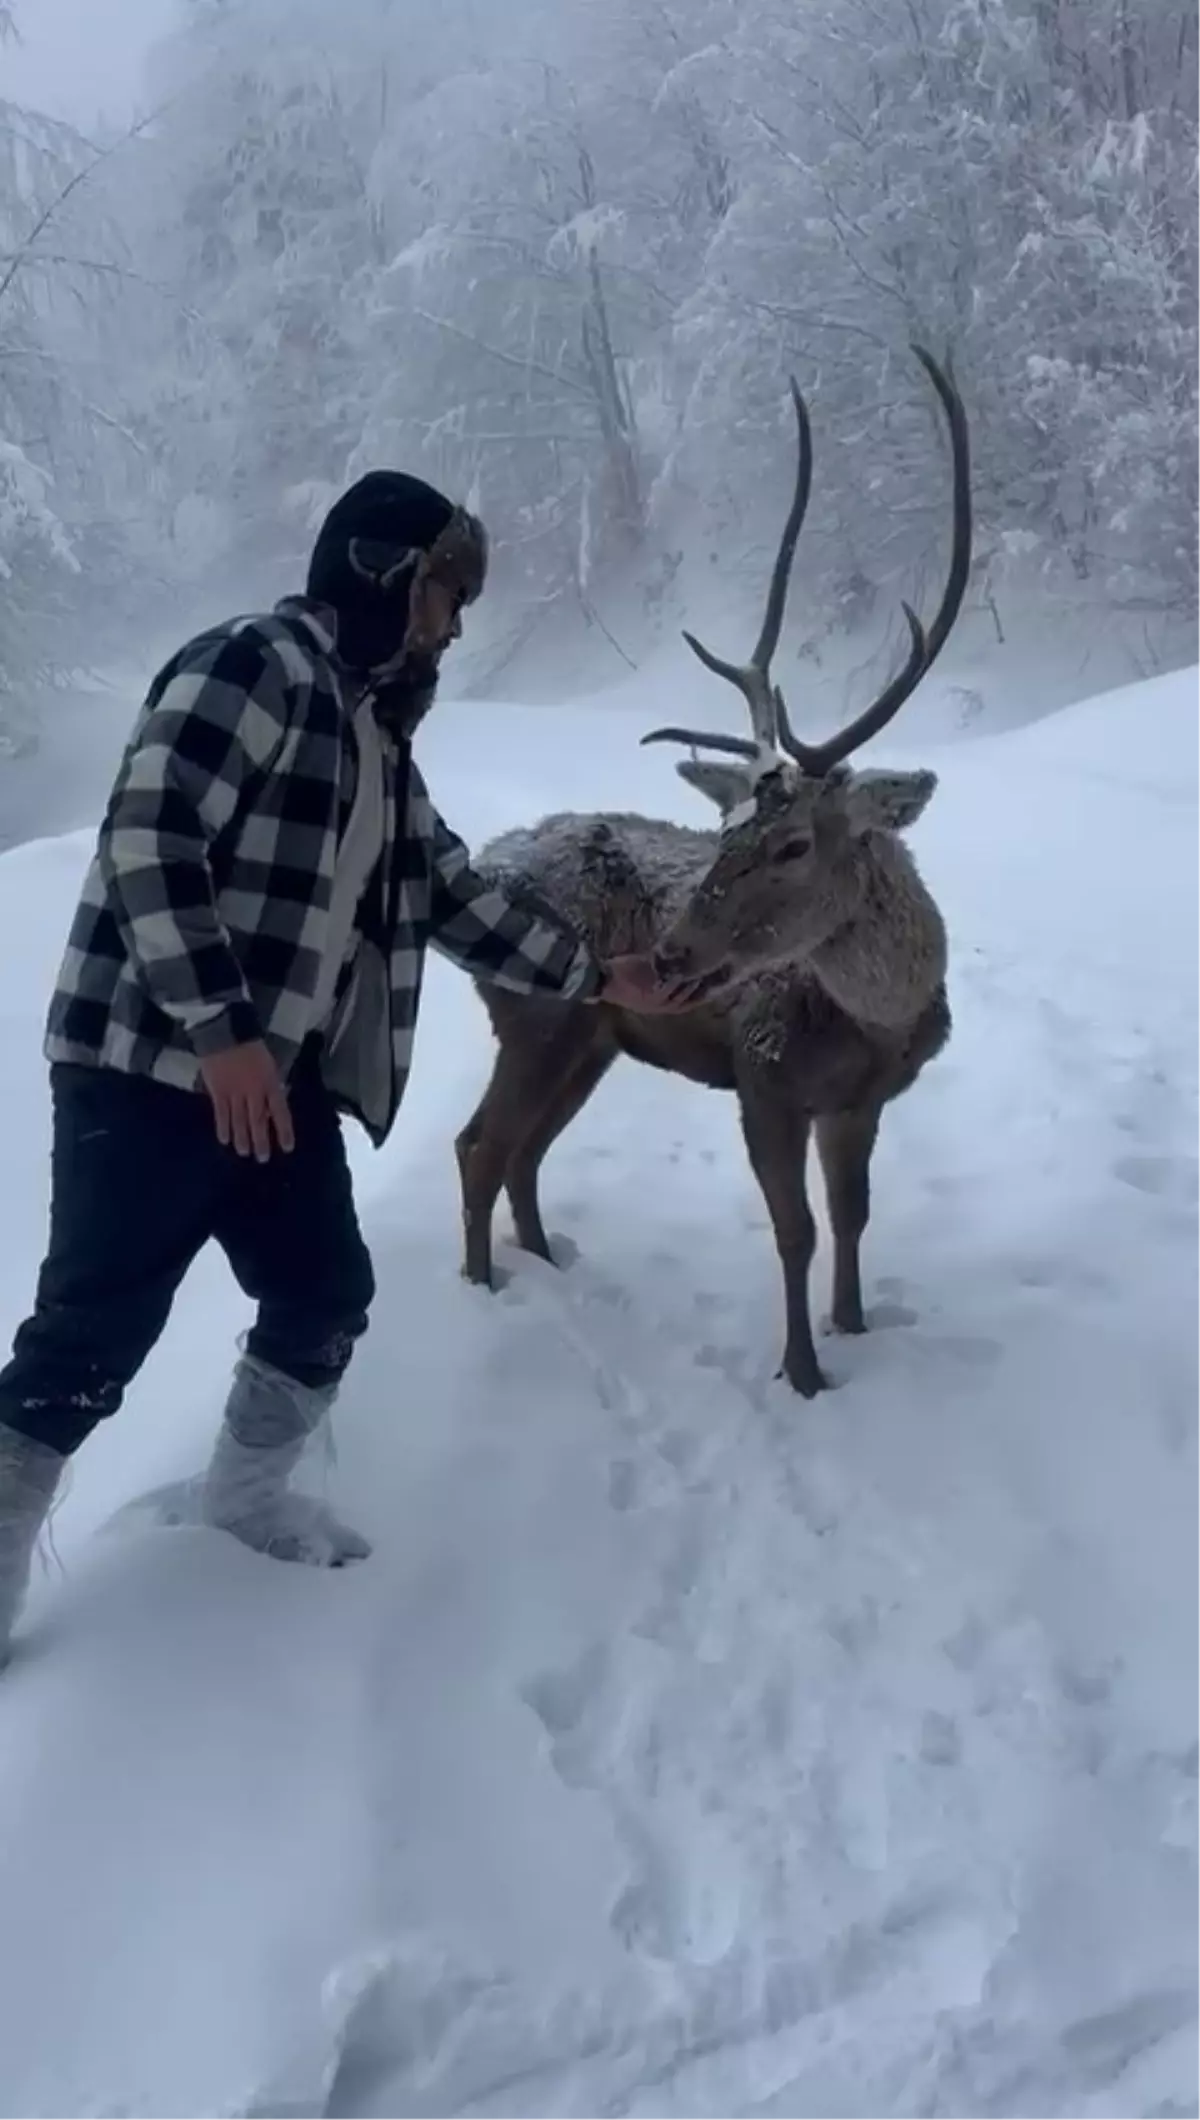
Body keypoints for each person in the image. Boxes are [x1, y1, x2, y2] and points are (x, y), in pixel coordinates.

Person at [0, 470, 684, 1667]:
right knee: (82, 1344)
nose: (455, 623)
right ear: (378, 568)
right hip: (144, 1069)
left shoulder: (370, 730)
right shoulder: (248, 667)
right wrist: (220, 1030)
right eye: (444, 591)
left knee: (324, 1292)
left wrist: (595, 973)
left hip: (275, 1082)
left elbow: (448, 891)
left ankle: (243, 1503)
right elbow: (149, 840)